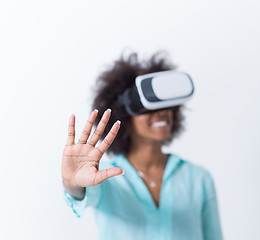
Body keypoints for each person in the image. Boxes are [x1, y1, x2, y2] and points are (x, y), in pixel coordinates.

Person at [62, 52, 223, 240]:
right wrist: (72, 182)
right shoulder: (102, 175)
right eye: (149, 106)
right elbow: (79, 192)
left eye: (166, 105)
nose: (162, 113)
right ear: (124, 115)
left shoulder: (199, 179)